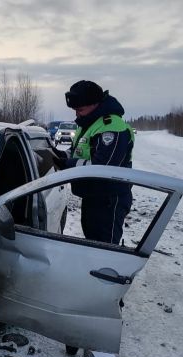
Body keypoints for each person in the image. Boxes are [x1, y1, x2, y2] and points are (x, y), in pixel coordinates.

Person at [53, 80, 134, 245]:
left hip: (109, 199)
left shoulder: (111, 127)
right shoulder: (90, 123)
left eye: (80, 110)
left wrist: (66, 164)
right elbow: (78, 151)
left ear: (95, 104)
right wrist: (58, 155)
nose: (77, 114)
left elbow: (102, 167)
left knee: (104, 248)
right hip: (93, 196)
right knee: (92, 243)